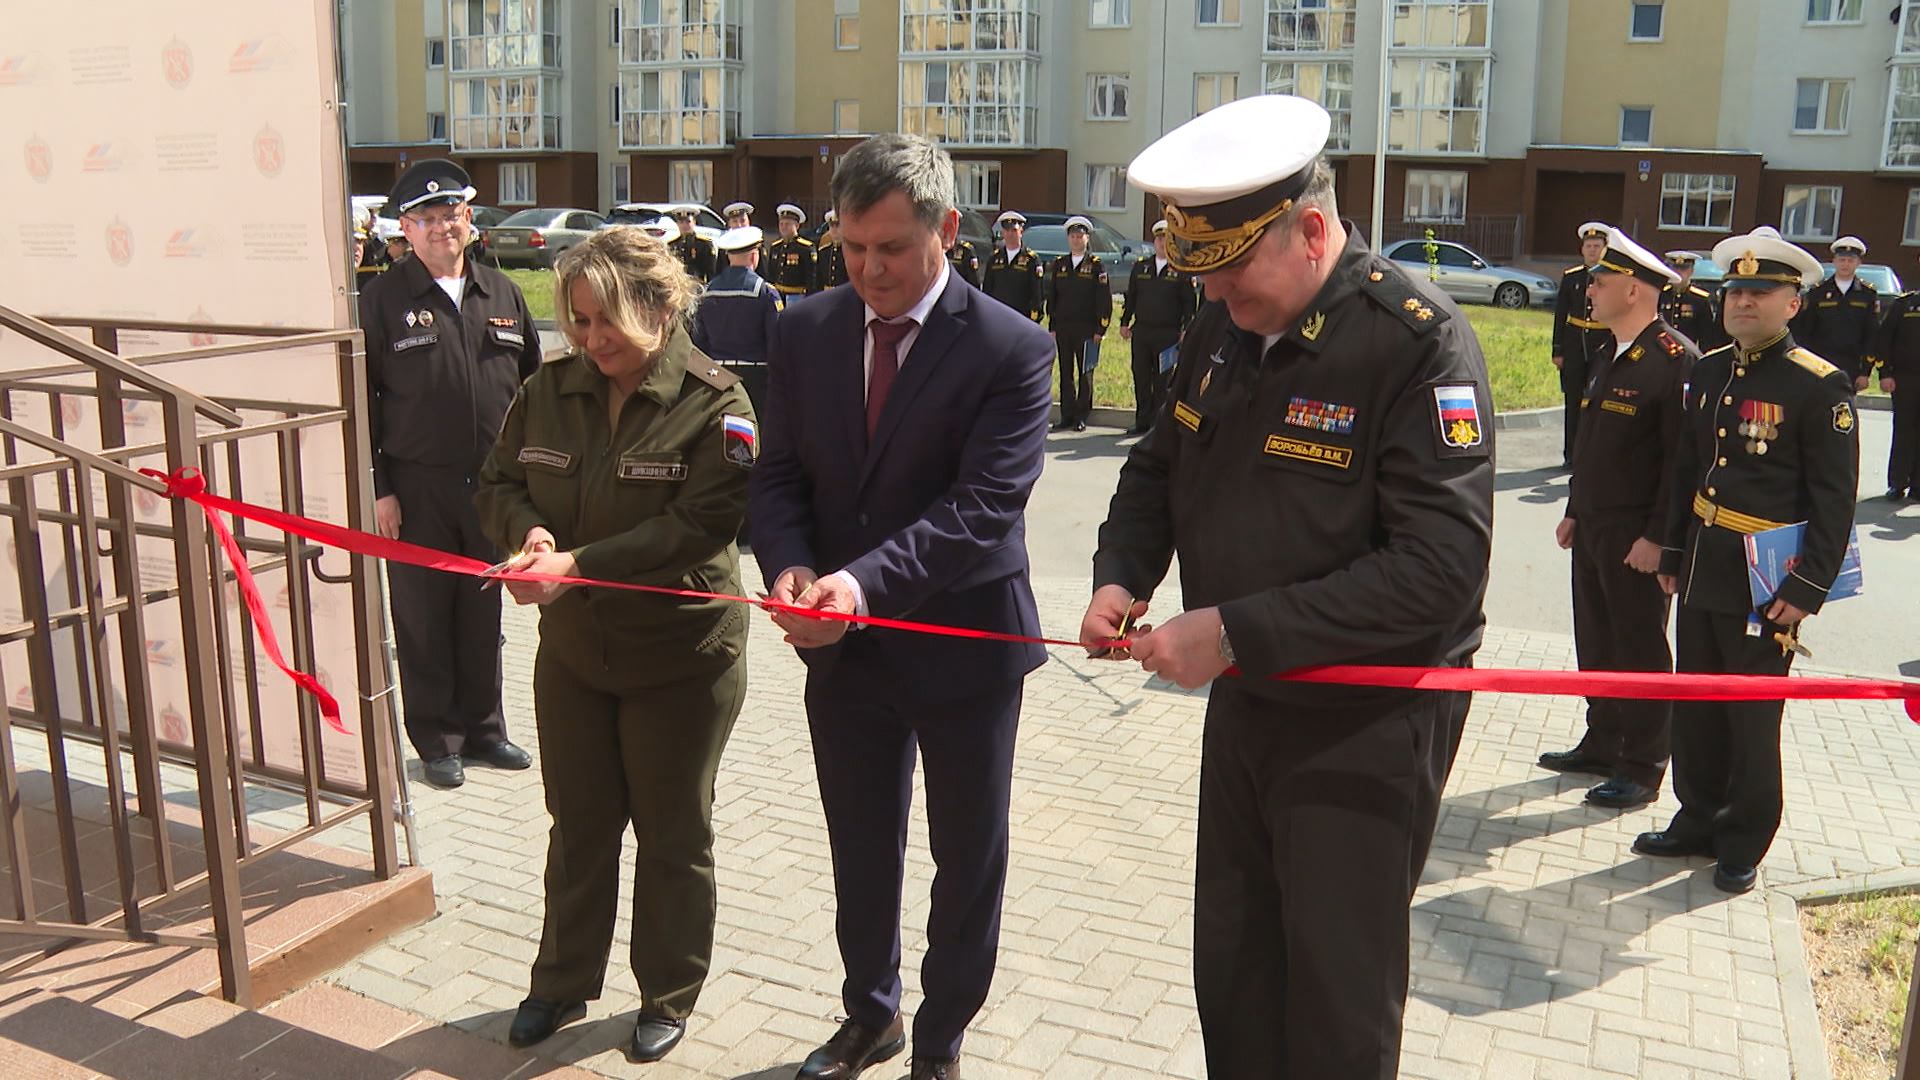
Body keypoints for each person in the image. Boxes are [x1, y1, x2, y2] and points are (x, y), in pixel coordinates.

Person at [1082, 94, 1492, 1079]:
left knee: (1334, 1001)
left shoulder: (1415, 343)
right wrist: (1120, 575)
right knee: (1235, 970)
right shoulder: (1228, 331)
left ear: (1311, 230)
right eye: (1199, 273)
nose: (1213, 297)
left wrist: (1232, 632)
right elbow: (1159, 465)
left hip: (1366, 721)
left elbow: (1438, 573)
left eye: (1228, 271)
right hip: (1249, 702)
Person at [749, 132, 1053, 1080]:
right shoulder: (803, 331)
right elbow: (781, 477)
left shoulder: (1013, 346)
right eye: (851, 248)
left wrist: (861, 582)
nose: (869, 269)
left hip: (964, 645)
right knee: (861, 847)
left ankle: (941, 1038)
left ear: (947, 230)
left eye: (889, 248)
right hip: (843, 651)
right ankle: (870, 1014)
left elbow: (983, 508)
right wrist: (794, 570)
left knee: (966, 862)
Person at [474, 227, 754, 1064]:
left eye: (607, 321)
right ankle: (560, 982)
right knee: (580, 824)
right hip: (575, 654)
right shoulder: (550, 387)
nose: (591, 340)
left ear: (662, 308)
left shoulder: (720, 405)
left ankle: (668, 992)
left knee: (673, 832)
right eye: (578, 321)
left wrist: (575, 564)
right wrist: (529, 536)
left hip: (680, 656)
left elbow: (699, 526)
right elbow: (499, 483)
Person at [1638, 229, 1859, 894]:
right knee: (1697, 705)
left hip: (1769, 584)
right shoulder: (1708, 371)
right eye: (1736, 290)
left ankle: (1743, 838)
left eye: (1760, 292)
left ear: (1792, 303)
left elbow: (1834, 501)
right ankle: (1697, 819)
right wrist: (1674, 550)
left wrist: (1808, 584)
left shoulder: (1820, 388)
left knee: (1751, 717)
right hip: (1706, 563)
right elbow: (1687, 471)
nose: (1743, 302)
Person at [358, 159, 539, 789]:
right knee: (425, 614)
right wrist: (380, 487)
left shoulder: (504, 293)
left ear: (470, 219)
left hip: (490, 485)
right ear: (405, 229)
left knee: (482, 608)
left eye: (451, 215)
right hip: (416, 487)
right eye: (426, 219)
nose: (442, 229)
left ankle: (486, 730)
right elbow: (364, 400)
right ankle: (438, 739)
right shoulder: (382, 299)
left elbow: (536, 391)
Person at [1541, 227, 1693, 811]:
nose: (1590, 290)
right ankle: (1604, 741)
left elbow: (1679, 465)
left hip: (1637, 536)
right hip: (1596, 527)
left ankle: (1644, 763)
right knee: (1598, 641)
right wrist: (1576, 510)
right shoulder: (1609, 353)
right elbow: (1595, 446)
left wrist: (1659, 538)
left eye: (1601, 281)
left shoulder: (1673, 360)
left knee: (1640, 648)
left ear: (1634, 290)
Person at [1118, 219, 1197, 435]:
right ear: (1154, 242)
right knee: (1141, 376)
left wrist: (1186, 328)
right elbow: (1131, 298)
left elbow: (1189, 303)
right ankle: (1142, 420)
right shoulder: (1141, 266)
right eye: (1159, 239)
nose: (1162, 243)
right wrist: (1125, 322)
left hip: (1168, 334)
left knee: (1163, 380)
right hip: (1142, 332)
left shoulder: (1181, 269)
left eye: (1167, 239)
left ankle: (1158, 425)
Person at [692, 225, 782, 410]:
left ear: (728, 256)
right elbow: (776, 341)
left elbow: (698, 342)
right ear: (753, 256)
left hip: (716, 374)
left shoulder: (707, 292)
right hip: (756, 374)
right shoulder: (765, 292)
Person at [1552, 223, 1613, 467]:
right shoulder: (1572, 277)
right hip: (1575, 342)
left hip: (1602, 343)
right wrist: (1557, 349)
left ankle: (1593, 452)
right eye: (1588, 246)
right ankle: (1570, 453)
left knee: (1598, 400)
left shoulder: (1610, 276)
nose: (1592, 251)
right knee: (1573, 399)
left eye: (1597, 246)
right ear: (1582, 249)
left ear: (1604, 248)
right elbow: (1560, 314)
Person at [1043, 216, 1111, 433]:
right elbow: (1052, 296)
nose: (1075, 240)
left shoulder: (1096, 265)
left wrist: (1101, 329)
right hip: (1063, 328)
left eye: (1079, 236)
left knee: (1085, 374)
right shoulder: (1060, 264)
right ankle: (1067, 415)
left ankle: (1082, 415)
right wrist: (1052, 325)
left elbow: (1104, 299)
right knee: (1065, 373)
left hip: (1087, 329)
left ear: (1087, 238)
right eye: (1072, 236)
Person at [1793, 236, 1880, 390]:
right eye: (1842, 260)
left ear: (1859, 263)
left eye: (1850, 260)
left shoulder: (1867, 294)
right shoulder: (1818, 291)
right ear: (1834, 261)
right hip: (1820, 361)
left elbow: (1871, 334)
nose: (1845, 264)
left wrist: (1865, 371)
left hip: (1851, 364)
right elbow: (1805, 330)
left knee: (1844, 409)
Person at [1870, 253, 1920, 500]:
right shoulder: (1904, 305)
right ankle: (1898, 482)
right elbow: (1884, 340)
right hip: (1906, 379)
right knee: (1904, 430)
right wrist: (1885, 373)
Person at [980, 210, 1045, 322]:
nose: (1010, 234)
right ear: (1003, 233)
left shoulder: (1031, 260)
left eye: (1014, 230)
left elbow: (1037, 293)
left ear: (1021, 231)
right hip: (998, 316)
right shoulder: (994, 258)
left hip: (1021, 317)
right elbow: (988, 290)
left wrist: (1035, 318)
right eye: (1007, 230)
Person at [1659, 250, 1724, 351]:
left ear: (1691, 271)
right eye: (1675, 268)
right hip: (1661, 352)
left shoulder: (1699, 299)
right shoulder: (1661, 295)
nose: (1679, 272)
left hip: (1688, 354)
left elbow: (1706, 335)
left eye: (1683, 269)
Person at [767, 203, 817, 302]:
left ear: (797, 226)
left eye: (787, 224)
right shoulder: (775, 247)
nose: (783, 227)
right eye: (781, 224)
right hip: (777, 295)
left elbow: (811, 277)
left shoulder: (805, 248)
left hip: (797, 296)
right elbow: (771, 274)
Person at [667, 208, 718, 282]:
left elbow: (711, 271)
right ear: (677, 224)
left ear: (694, 222)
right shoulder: (672, 245)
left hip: (698, 284)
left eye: (688, 222)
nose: (684, 225)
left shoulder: (704, 244)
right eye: (681, 222)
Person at [814, 209, 850, 291]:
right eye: (831, 226)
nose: (834, 230)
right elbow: (818, 279)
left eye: (837, 226)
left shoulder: (850, 251)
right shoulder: (823, 251)